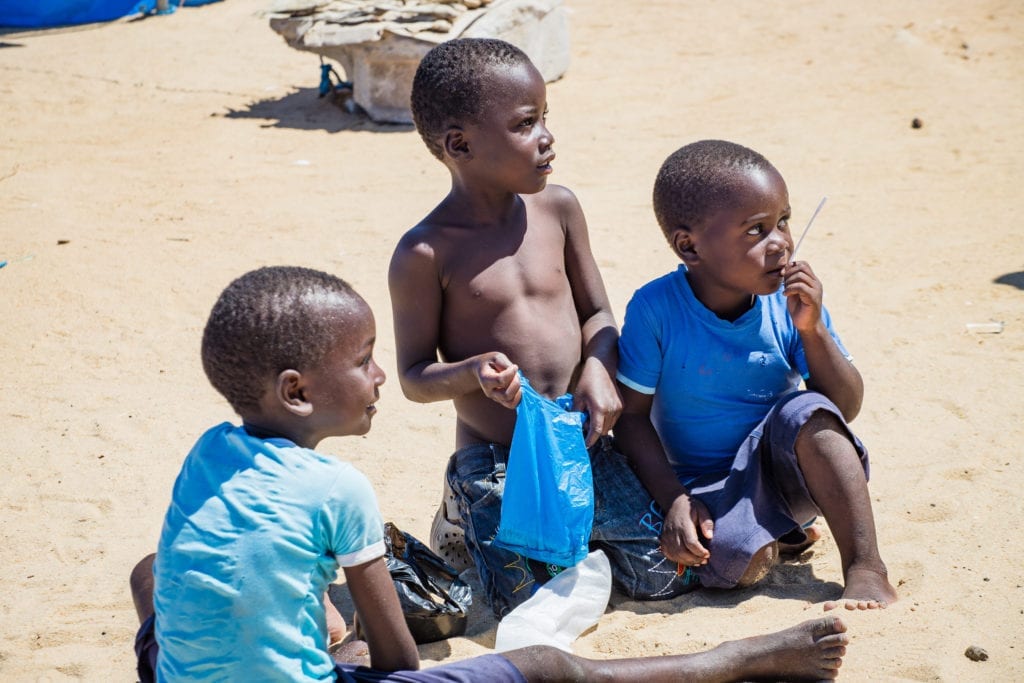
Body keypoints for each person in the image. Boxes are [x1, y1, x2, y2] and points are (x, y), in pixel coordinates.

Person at [130, 264, 852, 682]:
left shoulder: (208, 452)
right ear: (296, 392)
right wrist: (347, 636)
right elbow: (399, 660)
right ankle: (732, 659)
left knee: (153, 569)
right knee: (546, 667)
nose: (381, 375)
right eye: (362, 361)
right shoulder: (338, 489)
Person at [389, 37, 693, 619]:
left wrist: (601, 368)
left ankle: (572, 538)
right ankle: (463, 511)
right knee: (531, 608)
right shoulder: (425, 253)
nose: (547, 137)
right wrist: (473, 372)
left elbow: (599, 315)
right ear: (460, 144)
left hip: (584, 442)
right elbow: (412, 376)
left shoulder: (559, 209)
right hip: (499, 460)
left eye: (545, 118)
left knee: (663, 580)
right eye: (527, 124)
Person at [613, 140, 899, 611]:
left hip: (786, 469)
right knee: (731, 564)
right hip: (706, 485)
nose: (782, 241)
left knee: (807, 410)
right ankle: (774, 532)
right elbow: (632, 417)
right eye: (757, 230)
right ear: (690, 246)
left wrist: (813, 331)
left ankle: (866, 567)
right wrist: (675, 501)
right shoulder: (655, 308)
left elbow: (842, 408)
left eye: (783, 220)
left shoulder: (787, 305)